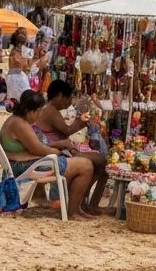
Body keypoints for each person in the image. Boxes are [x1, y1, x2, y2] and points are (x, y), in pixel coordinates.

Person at [0, 90, 95, 219]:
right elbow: (38, 149)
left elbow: (34, 146)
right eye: (38, 112)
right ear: (31, 110)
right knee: (86, 166)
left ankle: (73, 208)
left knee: (76, 163)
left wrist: (57, 147)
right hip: (25, 167)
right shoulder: (20, 124)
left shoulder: (14, 120)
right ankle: (72, 212)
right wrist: (57, 152)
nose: (38, 116)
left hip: (19, 164)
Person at [35, 80, 109, 213]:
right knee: (100, 160)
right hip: (54, 153)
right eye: (67, 99)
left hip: (59, 150)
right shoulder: (50, 111)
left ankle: (88, 203)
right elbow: (67, 131)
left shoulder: (51, 110)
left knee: (102, 166)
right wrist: (81, 120)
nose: (68, 103)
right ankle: (83, 203)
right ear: (59, 96)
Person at [5, 28, 32, 105]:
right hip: (19, 77)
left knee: (14, 101)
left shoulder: (13, 51)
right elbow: (27, 68)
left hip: (11, 77)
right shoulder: (24, 52)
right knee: (23, 100)